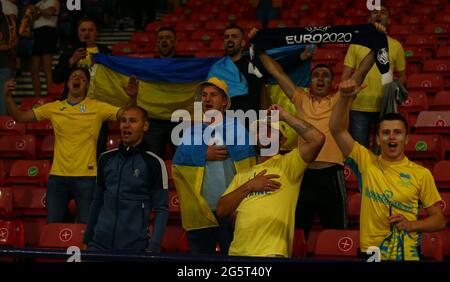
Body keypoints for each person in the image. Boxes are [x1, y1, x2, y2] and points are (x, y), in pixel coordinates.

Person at [330, 78, 446, 261]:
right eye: (385, 132)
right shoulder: (366, 161)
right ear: (377, 139)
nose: (391, 137)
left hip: (407, 253)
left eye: (397, 132)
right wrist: (344, 98)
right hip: (371, 252)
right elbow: (337, 130)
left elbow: (439, 220)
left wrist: (411, 225)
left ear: (406, 139)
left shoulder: (421, 174)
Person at [4, 66, 138, 224]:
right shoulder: (54, 107)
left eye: (82, 78)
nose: (77, 79)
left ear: (87, 85)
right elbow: (20, 117)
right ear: (67, 83)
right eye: (74, 76)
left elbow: (127, 115)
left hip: (87, 178)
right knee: (53, 226)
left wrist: (132, 98)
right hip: (57, 178)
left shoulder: (97, 107)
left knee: (85, 229)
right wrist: (8, 97)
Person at [216, 104, 325, 257]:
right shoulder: (243, 174)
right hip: (237, 253)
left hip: (271, 252)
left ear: (283, 140)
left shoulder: (289, 164)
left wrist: (285, 116)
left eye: (271, 131)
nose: (265, 134)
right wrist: (249, 186)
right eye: (261, 130)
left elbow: (317, 139)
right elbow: (221, 210)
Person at [172, 77, 256, 255]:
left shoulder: (238, 129)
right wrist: (203, 154)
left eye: (213, 95)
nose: (207, 99)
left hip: (231, 211)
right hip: (200, 213)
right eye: (204, 95)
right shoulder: (191, 130)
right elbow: (178, 165)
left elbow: (249, 169)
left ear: (225, 101)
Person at [84, 106, 168, 252]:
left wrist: (153, 246)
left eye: (133, 121)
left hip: (135, 248)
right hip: (98, 245)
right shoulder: (105, 158)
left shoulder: (154, 163)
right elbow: (96, 202)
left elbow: (161, 209)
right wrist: (87, 239)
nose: (126, 125)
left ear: (145, 126)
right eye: (123, 121)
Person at [341, 4, 406, 149]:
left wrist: (394, 96)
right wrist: (344, 99)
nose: (378, 15)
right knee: (359, 152)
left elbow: (402, 76)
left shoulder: (396, 46)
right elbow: (346, 73)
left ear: (388, 19)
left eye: (383, 12)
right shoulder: (356, 44)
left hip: (385, 106)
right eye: (375, 12)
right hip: (358, 106)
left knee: (383, 150)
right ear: (370, 18)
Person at [53, 17, 111, 158]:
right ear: (78, 33)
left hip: (98, 107)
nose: (87, 33)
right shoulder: (69, 52)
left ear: (96, 32)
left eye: (90, 30)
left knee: (98, 149)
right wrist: (72, 61)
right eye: (83, 30)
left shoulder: (105, 51)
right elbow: (56, 78)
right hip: (73, 109)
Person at [144, 26, 192, 159]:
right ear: (157, 43)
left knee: (184, 160)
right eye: (161, 38)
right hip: (154, 120)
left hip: (179, 119)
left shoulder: (189, 63)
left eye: (168, 38)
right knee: (152, 161)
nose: (164, 41)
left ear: (176, 42)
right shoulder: (146, 66)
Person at [30, 0, 59, 97]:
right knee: (34, 70)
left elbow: (50, 12)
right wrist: (37, 11)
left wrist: (38, 10)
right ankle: (37, 97)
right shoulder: (39, 3)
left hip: (47, 32)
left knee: (47, 69)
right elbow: (33, 18)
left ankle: (50, 96)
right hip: (37, 34)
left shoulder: (53, 1)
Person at [0, 1, 17, 115]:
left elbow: (16, 39)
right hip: (6, 63)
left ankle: (2, 125)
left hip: (5, 63)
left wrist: (9, 46)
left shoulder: (9, 20)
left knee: (3, 95)